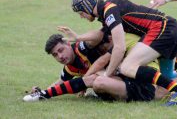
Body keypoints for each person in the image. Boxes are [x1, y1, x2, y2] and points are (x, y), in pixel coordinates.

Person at [70, 0, 177, 106]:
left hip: (163, 29)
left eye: (80, 13)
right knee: (166, 81)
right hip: (170, 28)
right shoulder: (108, 10)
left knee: (127, 67)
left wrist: (107, 75)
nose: (81, 17)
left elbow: (119, 47)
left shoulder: (109, 10)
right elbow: (100, 34)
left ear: (85, 8)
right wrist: (78, 38)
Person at [23, 32, 158, 102]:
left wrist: (78, 37)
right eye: (55, 55)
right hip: (122, 81)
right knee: (95, 80)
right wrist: (42, 90)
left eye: (61, 50)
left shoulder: (82, 47)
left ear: (68, 44)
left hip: (134, 73)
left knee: (94, 79)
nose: (60, 56)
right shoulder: (70, 67)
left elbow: (98, 36)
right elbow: (60, 82)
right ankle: (42, 95)